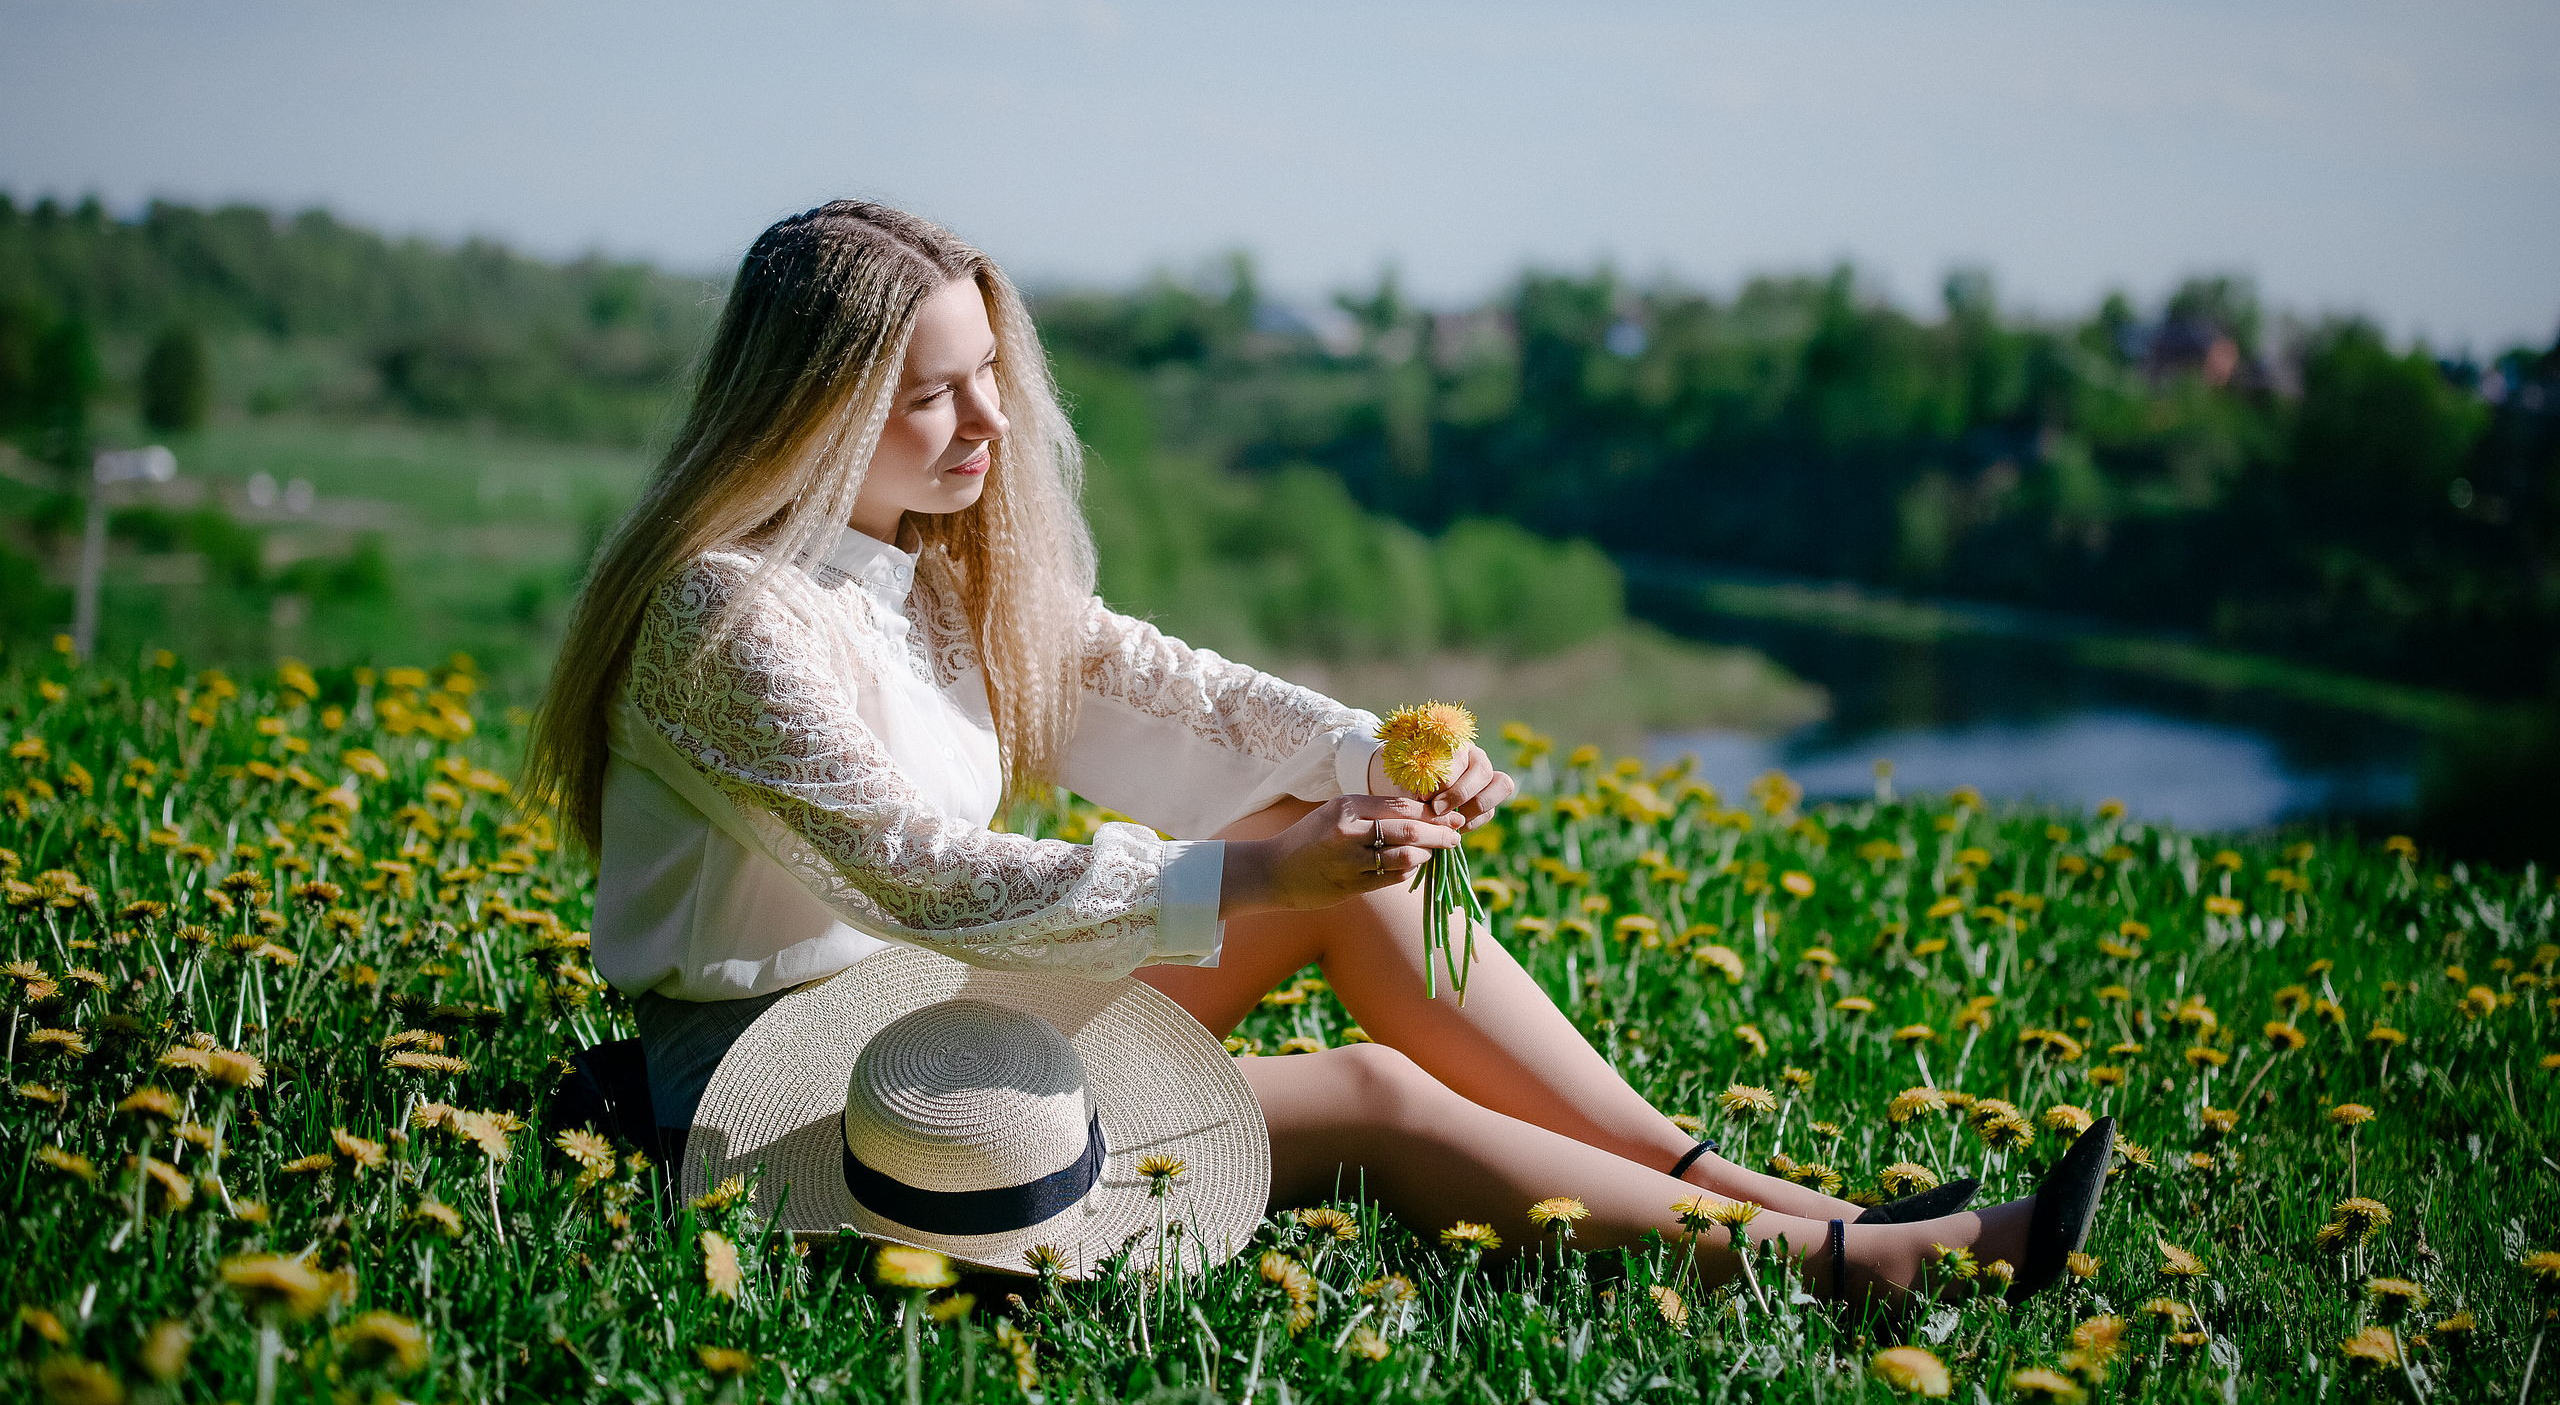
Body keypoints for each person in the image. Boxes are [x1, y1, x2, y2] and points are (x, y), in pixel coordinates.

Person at [523, 200, 2107, 1316]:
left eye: (990, 372)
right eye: (929, 396)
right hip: (787, 1086)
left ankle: (1772, 1197)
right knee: (1364, 1086)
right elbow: (925, 878)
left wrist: (1379, 761)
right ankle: (1857, 1271)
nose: (985, 422)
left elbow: (1166, 688)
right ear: (807, 410)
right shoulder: (726, 617)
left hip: (942, 1007)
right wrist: (1264, 868)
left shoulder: (931, 576)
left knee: (1333, 853)